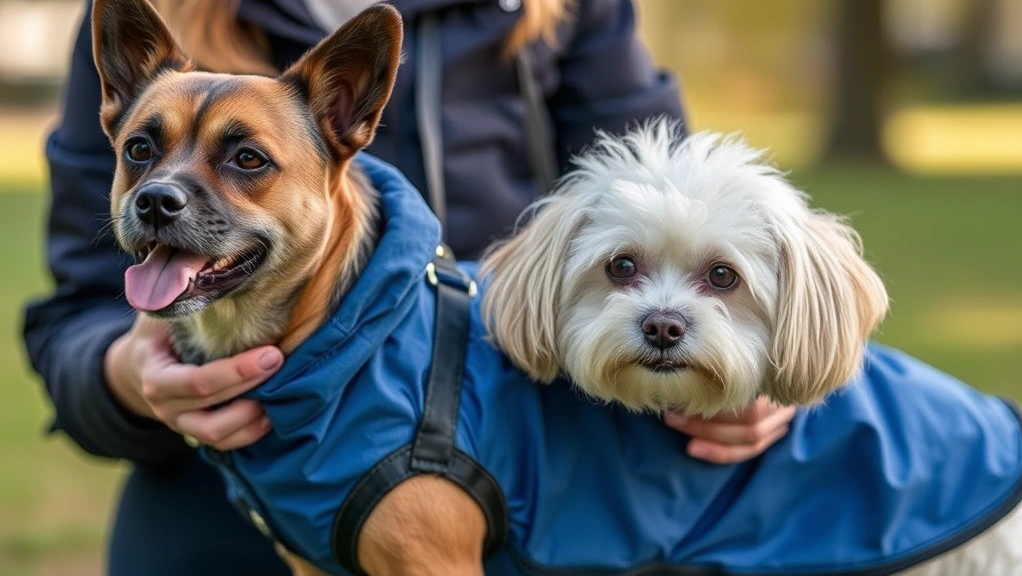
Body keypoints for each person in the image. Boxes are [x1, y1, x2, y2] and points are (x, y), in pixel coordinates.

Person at [21, 1, 795, 574]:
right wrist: (123, 376)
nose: (163, 190)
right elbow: (76, 319)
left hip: (513, 415)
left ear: (347, 112)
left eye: (246, 161)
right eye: (144, 152)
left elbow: (682, 209)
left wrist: (759, 351)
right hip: (203, 459)